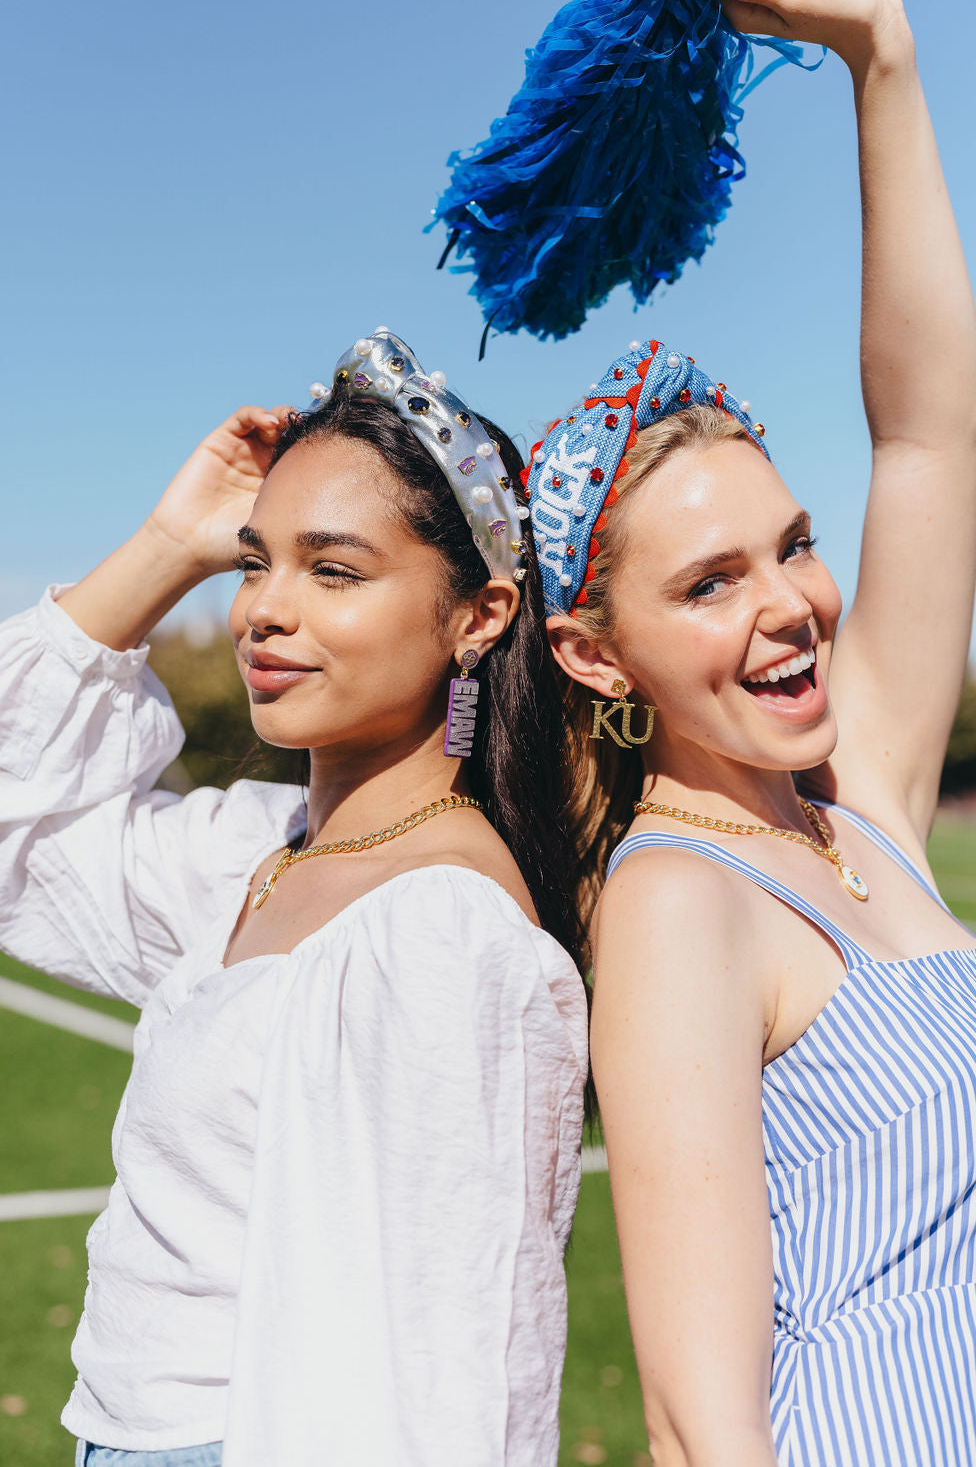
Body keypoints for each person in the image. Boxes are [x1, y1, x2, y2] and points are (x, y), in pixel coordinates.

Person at [525, 0, 976, 1465]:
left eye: (792, 546)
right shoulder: (678, 903)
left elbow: (930, 432)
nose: (790, 603)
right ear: (597, 655)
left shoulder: (860, 794)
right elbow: (696, 1416)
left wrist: (884, 63)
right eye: (709, 582)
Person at [0, 329, 588, 1467]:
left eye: (334, 569)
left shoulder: (448, 930)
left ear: (479, 613)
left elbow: (453, 1380)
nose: (262, 609)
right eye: (252, 561)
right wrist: (171, 544)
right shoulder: (252, 852)